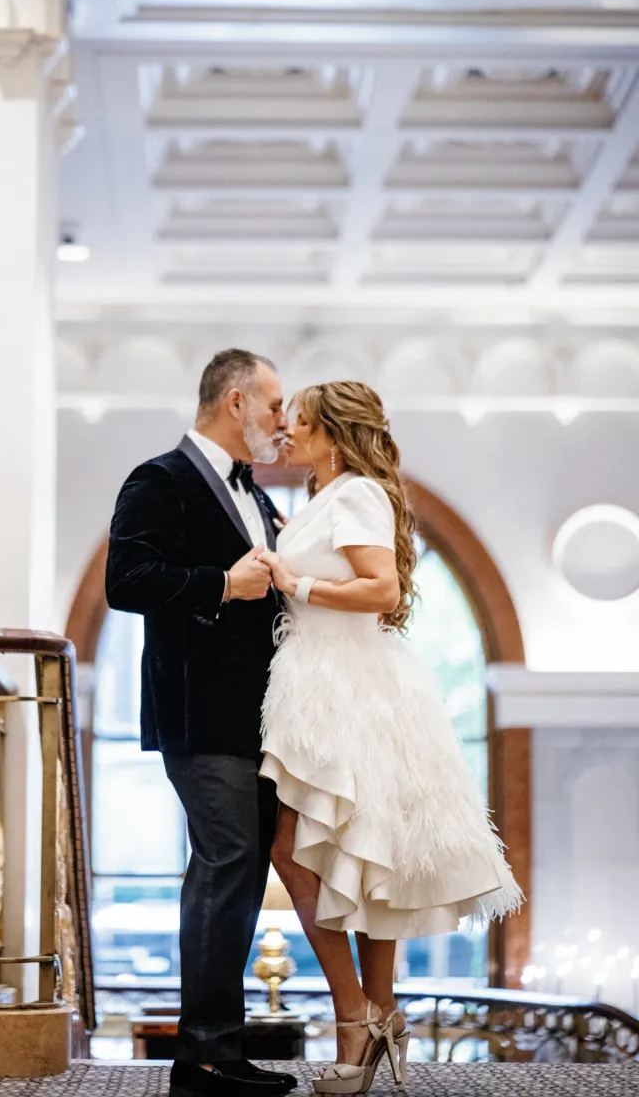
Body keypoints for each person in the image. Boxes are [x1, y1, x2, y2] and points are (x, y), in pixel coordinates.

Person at [258, 381, 523, 1095]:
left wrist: (296, 583)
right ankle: (378, 1012)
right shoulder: (323, 497)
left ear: (334, 435)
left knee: (303, 844)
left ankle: (358, 1013)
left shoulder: (357, 494)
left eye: (302, 424)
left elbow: (383, 591)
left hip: (346, 683)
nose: (289, 433)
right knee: (348, 847)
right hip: (314, 677)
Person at [106, 349, 296, 1097]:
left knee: (241, 876)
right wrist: (223, 583)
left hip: (262, 722)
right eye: (275, 405)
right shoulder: (160, 479)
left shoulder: (257, 495)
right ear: (237, 401)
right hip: (200, 716)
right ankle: (203, 1060)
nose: (282, 420)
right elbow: (126, 581)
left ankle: (220, 1047)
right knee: (224, 867)